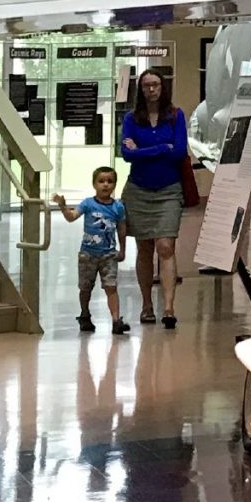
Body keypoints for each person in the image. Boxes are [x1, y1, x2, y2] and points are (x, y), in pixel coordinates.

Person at [116, 67, 188, 329]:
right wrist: (160, 148)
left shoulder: (176, 116)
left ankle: (168, 307)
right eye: (146, 85)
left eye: (155, 84)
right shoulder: (132, 118)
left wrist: (143, 149)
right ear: (141, 89)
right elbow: (126, 154)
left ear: (162, 86)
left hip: (169, 189)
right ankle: (146, 304)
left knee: (166, 246)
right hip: (138, 189)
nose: (151, 89)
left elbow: (179, 151)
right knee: (144, 247)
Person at [52, 165, 129, 335]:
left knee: (111, 287)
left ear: (115, 184)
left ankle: (116, 320)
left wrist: (122, 250)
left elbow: (122, 229)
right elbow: (71, 217)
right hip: (88, 254)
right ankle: (85, 314)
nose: (105, 185)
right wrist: (63, 207)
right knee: (85, 287)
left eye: (110, 181)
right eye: (101, 181)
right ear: (94, 184)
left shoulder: (118, 207)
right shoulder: (88, 203)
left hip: (109, 254)